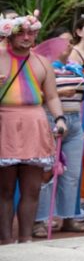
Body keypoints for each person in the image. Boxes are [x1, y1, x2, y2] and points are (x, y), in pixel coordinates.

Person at [0, 14, 67, 244]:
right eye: (21, 33)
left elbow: (51, 96)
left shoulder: (42, 62)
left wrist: (59, 118)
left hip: (35, 123)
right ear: (10, 34)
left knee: (32, 189)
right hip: (4, 123)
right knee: (5, 189)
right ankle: (7, 241)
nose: (27, 37)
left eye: (31, 33)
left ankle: (26, 239)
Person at [33, 29, 84, 236]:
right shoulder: (42, 67)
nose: (69, 45)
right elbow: (34, 91)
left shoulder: (74, 68)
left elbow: (83, 94)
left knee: (72, 174)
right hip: (51, 118)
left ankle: (68, 217)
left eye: (71, 41)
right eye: (64, 41)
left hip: (75, 120)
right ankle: (39, 221)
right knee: (46, 173)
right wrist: (58, 92)